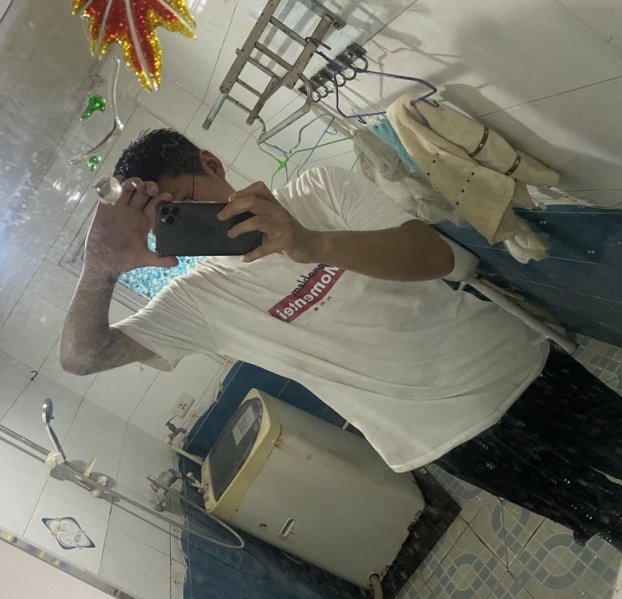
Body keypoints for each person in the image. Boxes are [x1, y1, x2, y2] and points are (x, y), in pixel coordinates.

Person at [60, 128, 622, 548]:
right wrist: (100, 267)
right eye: (168, 219)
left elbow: (437, 257)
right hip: (452, 441)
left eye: (186, 200)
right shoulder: (197, 300)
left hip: (518, 368)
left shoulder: (321, 189)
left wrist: (310, 244)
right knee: (607, 516)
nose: (186, 222)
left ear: (211, 163)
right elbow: (82, 357)